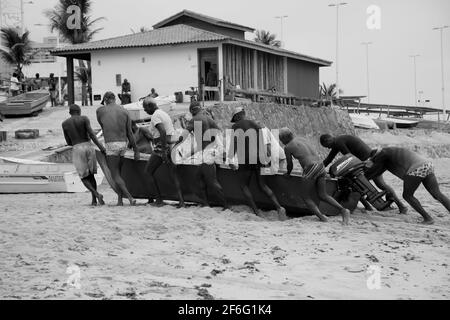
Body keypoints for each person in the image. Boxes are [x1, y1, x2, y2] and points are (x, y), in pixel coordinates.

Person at [320, 134, 408, 214]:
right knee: (380, 184)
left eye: (326, 146)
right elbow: (329, 159)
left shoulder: (338, 142)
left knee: (356, 184)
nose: (328, 148)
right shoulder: (338, 141)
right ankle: (395, 206)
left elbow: (349, 157)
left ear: (328, 140)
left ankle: (396, 206)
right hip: (372, 159)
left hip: (368, 161)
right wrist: (319, 168)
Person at [227, 107, 287, 220]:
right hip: (259, 157)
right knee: (263, 185)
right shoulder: (255, 124)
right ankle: (279, 207)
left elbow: (233, 145)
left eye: (235, 118)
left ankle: (256, 211)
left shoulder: (235, 127)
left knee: (243, 185)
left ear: (237, 116)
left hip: (245, 158)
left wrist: (230, 161)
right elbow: (263, 141)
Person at [280, 128, 350, 224]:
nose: (281, 142)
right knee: (323, 195)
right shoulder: (302, 139)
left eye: (281, 139)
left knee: (305, 197)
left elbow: (290, 165)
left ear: (284, 138)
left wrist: (288, 173)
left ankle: (322, 218)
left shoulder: (288, 147)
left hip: (310, 167)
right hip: (321, 166)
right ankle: (343, 210)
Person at [366, 147, 450, 225]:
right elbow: (379, 170)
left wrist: (366, 171)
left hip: (416, 168)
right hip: (427, 164)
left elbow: (373, 169)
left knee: (407, 196)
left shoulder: (382, 153)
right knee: (437, 194)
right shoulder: (390, 153)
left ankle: (428, 218)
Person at [177, 102, 229, 209]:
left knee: (212, 182)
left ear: (192, 111)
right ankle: (205, 204)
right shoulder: (209, 119)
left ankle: (226, 205)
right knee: (197, 178)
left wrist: (174, 144)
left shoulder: (194, 120)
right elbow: (220, 135)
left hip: (207, 155)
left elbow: (183, 137)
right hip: (213, 151)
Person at [96, 92, 140, 206]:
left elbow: (103, 125)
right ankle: (119, 200)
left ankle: (130, 198)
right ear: (115, 99)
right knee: (119, 173)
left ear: (105, 99)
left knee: (114, 174)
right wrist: (136, 150)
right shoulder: (125, 111)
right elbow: (130, 133)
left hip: (111, 144)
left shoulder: (100, 111)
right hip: (123, 144)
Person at [143, 97, 185, 208]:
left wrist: (163, 151)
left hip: (161, 147)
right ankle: (181, 201)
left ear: (150, 106)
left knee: (148, 172)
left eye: (145, 108)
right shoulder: (163, 113)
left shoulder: (156, 115)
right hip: (171, 146)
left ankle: (159, 200)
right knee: (173, 175)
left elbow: (162, 131)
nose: (144, 110)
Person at [62, 104, 106, 206]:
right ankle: (94, 200)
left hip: (77, 148)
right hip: (89, 146)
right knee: (91, 175)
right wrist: (101, 148)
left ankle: (96, 194)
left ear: (70, 112)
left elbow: (68, 142)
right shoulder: (84, 119)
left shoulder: (65, 124)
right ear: (79, 111)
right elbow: (92, 134)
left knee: (83, 177)